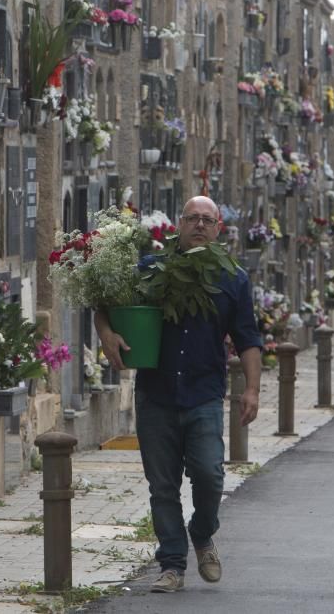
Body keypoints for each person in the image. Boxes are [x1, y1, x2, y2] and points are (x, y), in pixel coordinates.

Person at [95, 196, 263, 594]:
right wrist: (107, 334)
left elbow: (248, 338)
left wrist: (252, 389)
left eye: (208, 220)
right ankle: (172, 565)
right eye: (192, 218)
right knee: (163, 486)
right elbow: (104, 302)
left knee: (210, 474)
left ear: (219, 228)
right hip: (157, 394)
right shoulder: (151, 270)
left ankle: (202, 532)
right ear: (179, 225)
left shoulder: (233, 279)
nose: (200, 225)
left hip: (204, 394)